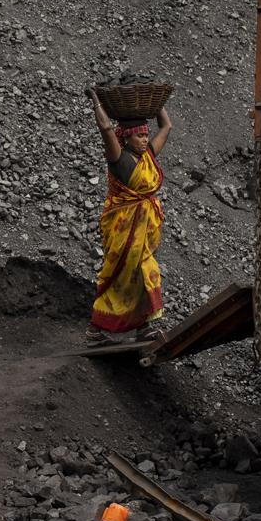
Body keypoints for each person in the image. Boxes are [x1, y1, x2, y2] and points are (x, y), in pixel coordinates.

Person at [89, 91, 171, 343]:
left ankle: (142, 327)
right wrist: (96, 101)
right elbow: (105, 126)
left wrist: (157, 103)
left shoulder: (147, 157)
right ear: (125, 138)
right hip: (122, 227)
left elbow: (167, 126)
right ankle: (97, 328)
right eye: (139, 135)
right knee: (125, 274)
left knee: (138, 275)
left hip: (142, 229)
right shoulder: (118, 158)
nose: (145, 140)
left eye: (146, 134)